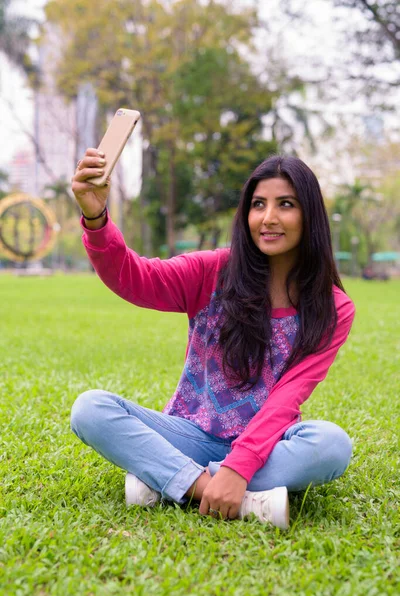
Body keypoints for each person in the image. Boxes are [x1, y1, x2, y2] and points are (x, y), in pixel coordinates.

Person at [70, 150, 355, 529]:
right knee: (90, 409)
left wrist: (239, 465)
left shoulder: (331, 307)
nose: (268, 218)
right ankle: (222, 493)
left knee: (332, 445)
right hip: (190, 433)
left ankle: (171, 481)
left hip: (269, 443)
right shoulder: (213, 271)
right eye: (258, 205)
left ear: (310, 216)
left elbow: (289, 397)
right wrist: (95, 217)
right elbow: (133, 277)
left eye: (285, 204)